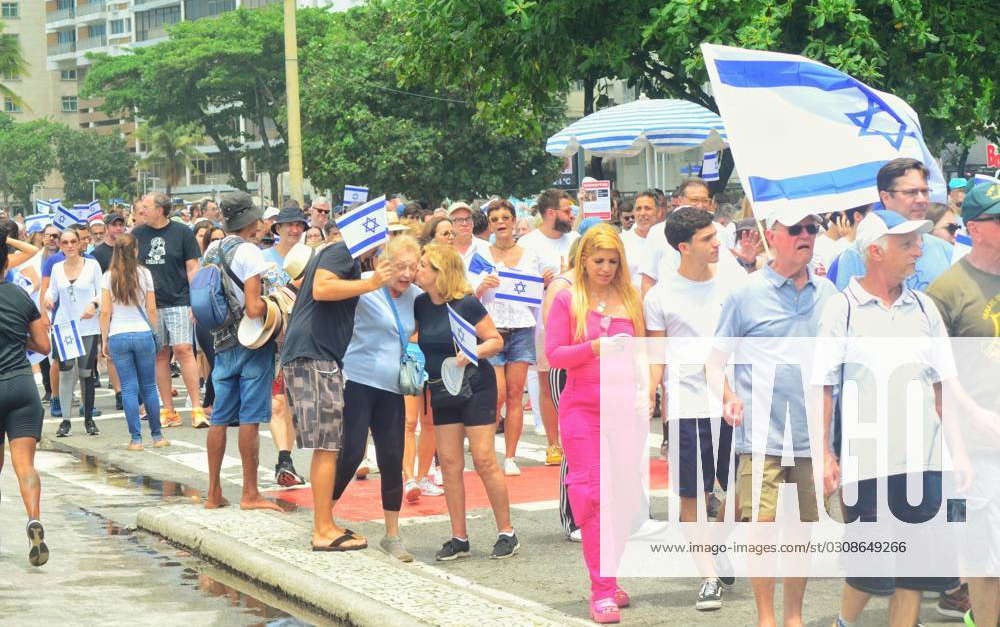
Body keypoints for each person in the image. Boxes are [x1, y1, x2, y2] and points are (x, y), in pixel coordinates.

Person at [818, 210, 971, 627]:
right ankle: (845, 623)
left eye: (918, 242)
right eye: (907, 244)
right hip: (866, 464)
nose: (918, 251)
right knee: (870, 572)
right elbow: (823, 387)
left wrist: (957, 452)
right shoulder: (841, 309)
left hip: (924, 461)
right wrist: (825, 456)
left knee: (915, 571)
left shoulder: (924, 307)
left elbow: (943, 385)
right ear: (875, 252)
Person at [713, 206, 838, 627]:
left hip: (811, 435)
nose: (806, 235)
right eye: (796, 229)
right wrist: (728, 395)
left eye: (812, 228)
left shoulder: (830, 297)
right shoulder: (745, 295)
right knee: (762, 529)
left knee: (801, 532)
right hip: (761, 436)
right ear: (772, 235)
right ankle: (766, 618)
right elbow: (714, 362)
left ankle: (793, 617)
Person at [545, 223, 644, 624]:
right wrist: (594, 347)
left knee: (625, 499)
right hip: (582, 409)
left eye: (612, 261)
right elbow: (554, 355)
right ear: (583, 260)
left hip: (624, 409)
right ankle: (601, 588)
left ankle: (611, 572)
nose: (605, 268)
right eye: (598, 260)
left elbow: (643, 351)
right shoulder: (568, 299)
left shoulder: (630, 298)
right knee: (593, 497)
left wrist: (646, 389)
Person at [644, 207, 741, 611]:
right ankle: (708, 577)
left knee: (743, 492)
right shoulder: (660, 295)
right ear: (684, 247)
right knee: (692, 495)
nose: (718, 243)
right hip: (687, 405)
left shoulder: (734, 285)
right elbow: (656, 352)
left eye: (716, 235)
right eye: (707, 239)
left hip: (735, 401)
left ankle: (715, 545)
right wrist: (650, 392)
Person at [280, 204, 386, 552]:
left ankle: (325, 522)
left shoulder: (339, 253)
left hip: (313, 354)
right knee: (328, 446)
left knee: (328, 445)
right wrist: (369, 282)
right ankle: (322, 529)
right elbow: (323, 289)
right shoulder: (341, 251)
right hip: (314, 355)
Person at [413, 244, 517, 561]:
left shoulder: (467, 303)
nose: (417, 269)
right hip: (441, 387)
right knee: (450, 465)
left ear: (439, 273)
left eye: (424, 265)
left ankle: (507, 531)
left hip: (476, 385)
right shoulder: (419, 304)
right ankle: (459, 537)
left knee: (484, 459)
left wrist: (472, 352)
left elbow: (495, 340)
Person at [927, 182, 1000, 627]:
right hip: (976, 447)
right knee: (984, 554)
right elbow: (934, 378)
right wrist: (968, 424)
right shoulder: (948, 290)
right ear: (975, 227)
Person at [336, 234, 422, 561]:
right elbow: (326, 295)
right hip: (357, 379)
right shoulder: (363, 286)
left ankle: (392, 534)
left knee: (391, 457)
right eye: (400, 266)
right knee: (352, 453)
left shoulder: (416, 296)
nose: (406, 273)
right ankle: (324, 516)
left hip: (394, 386)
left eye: (412, 267)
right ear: (381, 263)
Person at [202, 192, 282, 513]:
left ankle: (213, 493)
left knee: (219, 416)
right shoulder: (250, 252)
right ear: (250, 220)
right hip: (251, 342)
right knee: (250, 417)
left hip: (220, 341)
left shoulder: (212, 248)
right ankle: (250, 493)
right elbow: (252, 308)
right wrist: (276, 303)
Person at [472, 200, 539, 476]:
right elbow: (467, 295)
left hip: (521, 327)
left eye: (505, 217)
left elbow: (536, 295)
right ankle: (486, 452)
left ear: (513, 221)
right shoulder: (480, 253)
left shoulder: (529, 253)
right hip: (492, 328)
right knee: (495, 394)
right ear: (490, 223)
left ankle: (511, 456)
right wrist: (481, 285)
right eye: (495, 218)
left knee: (515, 394)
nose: (501, 222)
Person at [133, 192, 207, 428]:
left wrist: (196, 300)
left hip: (180, 300)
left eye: (146, 206)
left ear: (160, 209)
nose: (141, 211)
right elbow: (130, 268)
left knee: (184, 349)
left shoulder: (183, 232)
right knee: (160, 354)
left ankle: (196, 407)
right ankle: (169, 410)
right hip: (150, 304)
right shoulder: (137, 234)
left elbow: (193, 267)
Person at [518, 189, 580, 466]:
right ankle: (553, 443)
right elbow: (518, 286)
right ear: (551, 213)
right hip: (544, 323)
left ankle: (573, 440)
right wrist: (541, 284)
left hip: (578, 320)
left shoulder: (576, 240)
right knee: (546, 382)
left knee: (574, 382)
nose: (572, 216)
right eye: (567, 211)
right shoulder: (529, 243)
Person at [0, 235, 52, 566]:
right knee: (25, 466)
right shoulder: (20, 295)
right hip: (21, 384)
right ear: (6, 264)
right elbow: (44, 347)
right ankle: (33, 517)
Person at [829, 158, 952, 291]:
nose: (921, 199)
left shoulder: (946, 252)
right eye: (911, 192)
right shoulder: (856, 255)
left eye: (925, 191)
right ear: (886, 197)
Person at [99, 233, 167, 451]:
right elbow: (152, 309)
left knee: (128, 388)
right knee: (149, 386)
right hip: (142, 333)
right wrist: (155, 332)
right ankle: (157, 436)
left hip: (118, 334)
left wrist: (104, 339)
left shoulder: (108, 276)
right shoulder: (144, 273)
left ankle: (136, 439)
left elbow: (105, 311)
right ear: (135, 251)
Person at [258, 206, 309, 486]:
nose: (294, 230)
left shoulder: (312, 258)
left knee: (293, 405)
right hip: (271, 340)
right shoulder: (262, 259)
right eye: (288, 225)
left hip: (304, 338)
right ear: (277, 229)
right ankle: (284, 461)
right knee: (278, 404)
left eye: (298, 225)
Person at [45, 228, 104, 437]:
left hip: (87, 326)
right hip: (64, 326)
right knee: (66, 372)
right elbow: (51, 291)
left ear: (80, 243)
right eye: (65, 242)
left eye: (73, 242)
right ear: (60, 245)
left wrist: (94, 305)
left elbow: (102, 292)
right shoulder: (57, 268)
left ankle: (88, 419)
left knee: (87, 373)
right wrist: (48, 298)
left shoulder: (92, 265)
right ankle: (65, 420)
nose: (69, 246)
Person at [90, 213, 127, 409]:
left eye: (121, 225)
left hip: (129, 304)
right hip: (108, 305)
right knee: (111, 352)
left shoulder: (129, 248)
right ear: (107, 227)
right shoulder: (98, 253)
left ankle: (130, 389)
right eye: (114, 225)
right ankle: (119, 392)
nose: (118, 229)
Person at [621, 191, 657, 289]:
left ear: (658, 211)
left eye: (647, 208)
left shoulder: (667, 240)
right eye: (638, 209)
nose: (642, 213)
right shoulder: (622, 241)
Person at [447, 202, 491, 268]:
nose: (465, 223)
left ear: (473, 223)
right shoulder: (444, 251)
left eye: (468, 219)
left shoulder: (487, 248)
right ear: (450, 224)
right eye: (459, 220)